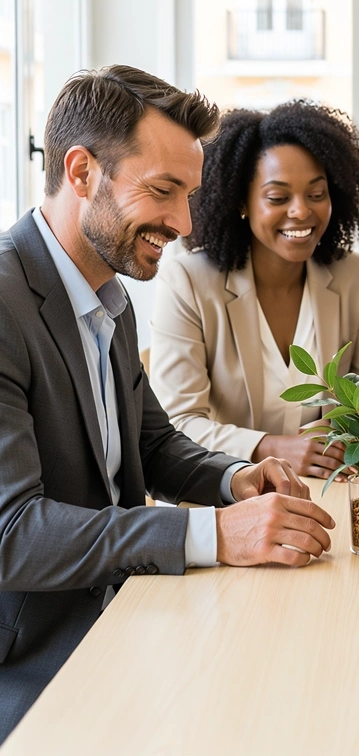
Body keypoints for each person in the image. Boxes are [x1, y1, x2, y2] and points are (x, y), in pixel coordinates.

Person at [0, 67, 335, 741]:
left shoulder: (106, 294)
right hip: (42, 669)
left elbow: (152, 445)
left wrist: (232, 479)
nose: (184, 223)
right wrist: (212, 534)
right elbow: (13, 536)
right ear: (82, 171)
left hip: (128, 615)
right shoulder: (6, 302)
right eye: (163, 192)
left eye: (190, 194)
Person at [150, 102, 359, 478]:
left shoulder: (351, 274)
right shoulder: (189, 281)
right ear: (242, 202)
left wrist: (337, 436)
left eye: (317, 193)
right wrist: (270, 448)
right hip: (226, 492)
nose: (301, 211)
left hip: (329, 488)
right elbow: (177, 423)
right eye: (278, 198)